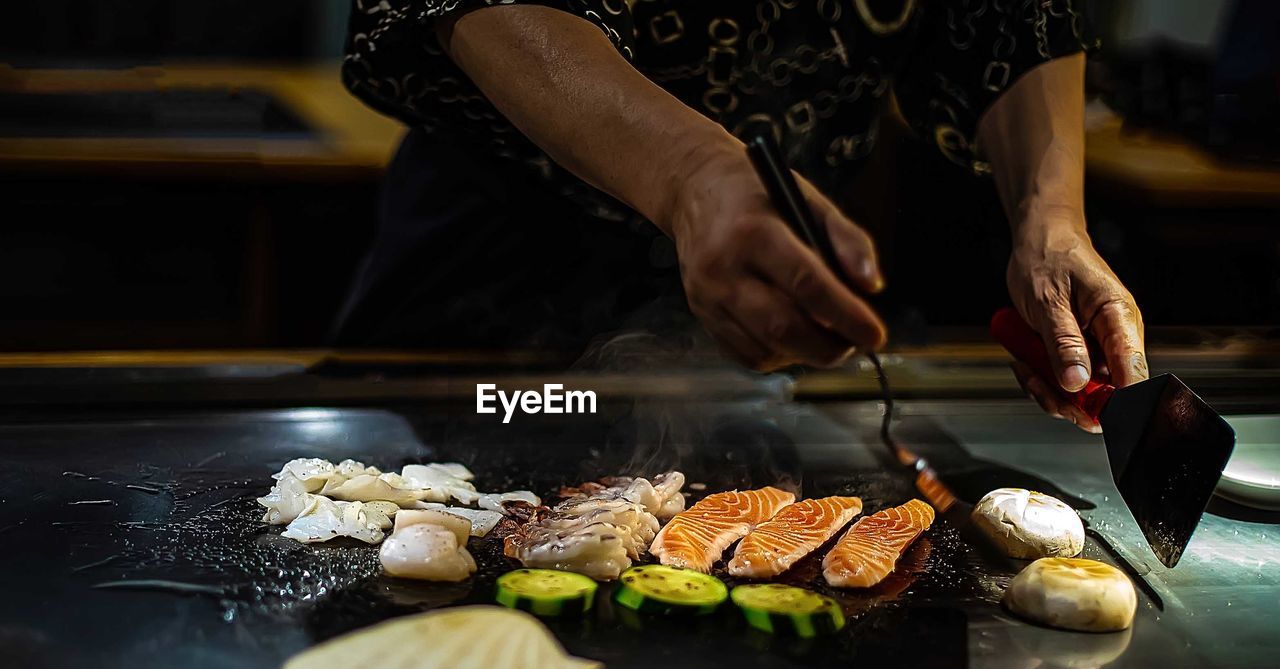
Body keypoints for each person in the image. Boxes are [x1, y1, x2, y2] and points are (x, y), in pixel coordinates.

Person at [334, 0, 1148, 433]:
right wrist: (692, 175)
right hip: (505, 262)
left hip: (781, 272)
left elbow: (1014, 19)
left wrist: (1051, 221)